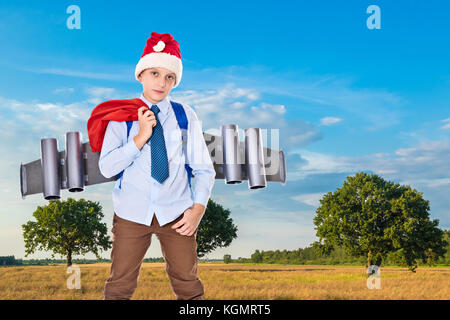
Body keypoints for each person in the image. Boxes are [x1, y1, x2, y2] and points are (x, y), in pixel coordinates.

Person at [87, 32, 215, 300]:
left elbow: (203, 168)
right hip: (131, 213)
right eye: (155, 73)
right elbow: (108, 167)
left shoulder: (185, 115)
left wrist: (197, 210)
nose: (162, 82)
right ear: (141, 75)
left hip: (177, 213)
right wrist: (140, 137)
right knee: (119, 284)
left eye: (170, 77)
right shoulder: (121, 117)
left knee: (188, 283)